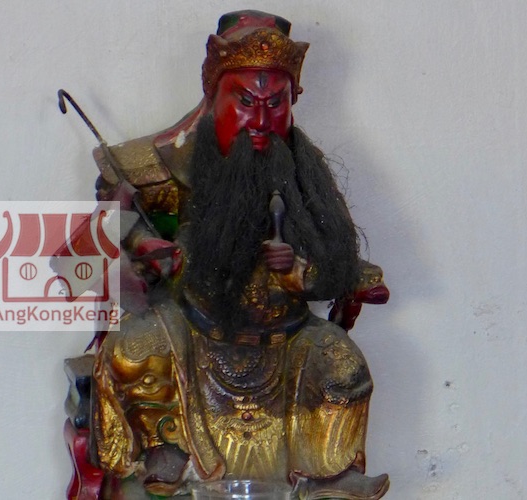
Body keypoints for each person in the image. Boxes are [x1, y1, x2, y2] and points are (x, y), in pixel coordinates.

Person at [90, 10, 390, 499]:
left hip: (288, 336)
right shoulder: (166, 168)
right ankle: (164, 447)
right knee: (129, 354)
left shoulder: (304, 175)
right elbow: (114, 211)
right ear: (214, 98)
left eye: (276, 104)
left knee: (345, 368)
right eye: (246, 102)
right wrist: (146, 243)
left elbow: (336, 258)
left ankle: (328, 471)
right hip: (192, 328)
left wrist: (300, 271)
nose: (261, 120)